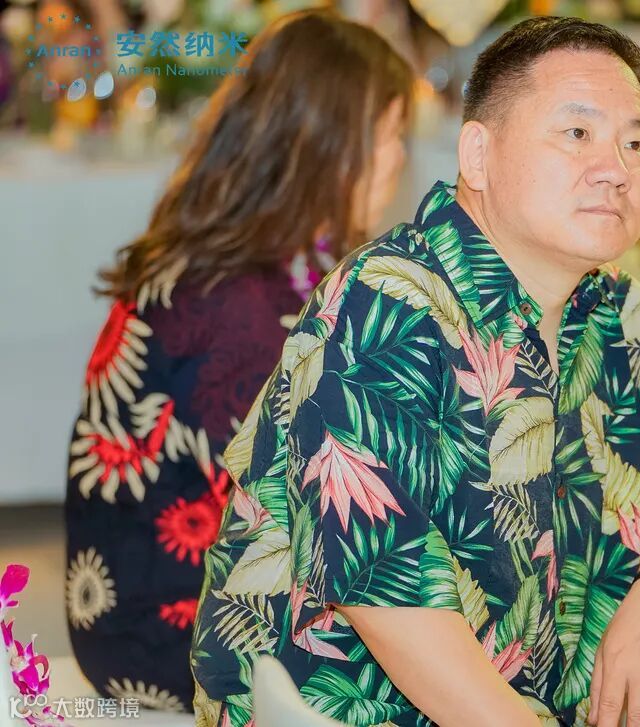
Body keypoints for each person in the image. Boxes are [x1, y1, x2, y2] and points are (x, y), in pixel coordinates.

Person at [191, 15, 640, 727]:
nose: (617, 168)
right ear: (477, 155)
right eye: (577, 133)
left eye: (634, 142)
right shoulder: (387, 304)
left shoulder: (625, 316)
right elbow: (386, 588)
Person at [64, 9, 412, 712]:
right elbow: (313, 514)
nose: (400, 157)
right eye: (388, 135)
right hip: (167, 629)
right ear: (325, 145)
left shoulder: (270, 261)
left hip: (196, 594)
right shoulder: (232, 304)